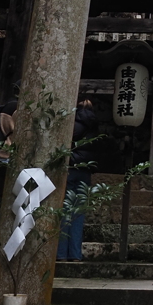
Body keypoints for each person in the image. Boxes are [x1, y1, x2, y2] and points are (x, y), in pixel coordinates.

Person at [57, 96, 99, 263]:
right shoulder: (95, 126)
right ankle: (75, 254)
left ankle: (61, 253)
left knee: (65, 210)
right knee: (78, 213)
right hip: (85, 171)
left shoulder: (71, 123)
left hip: (70, 168)